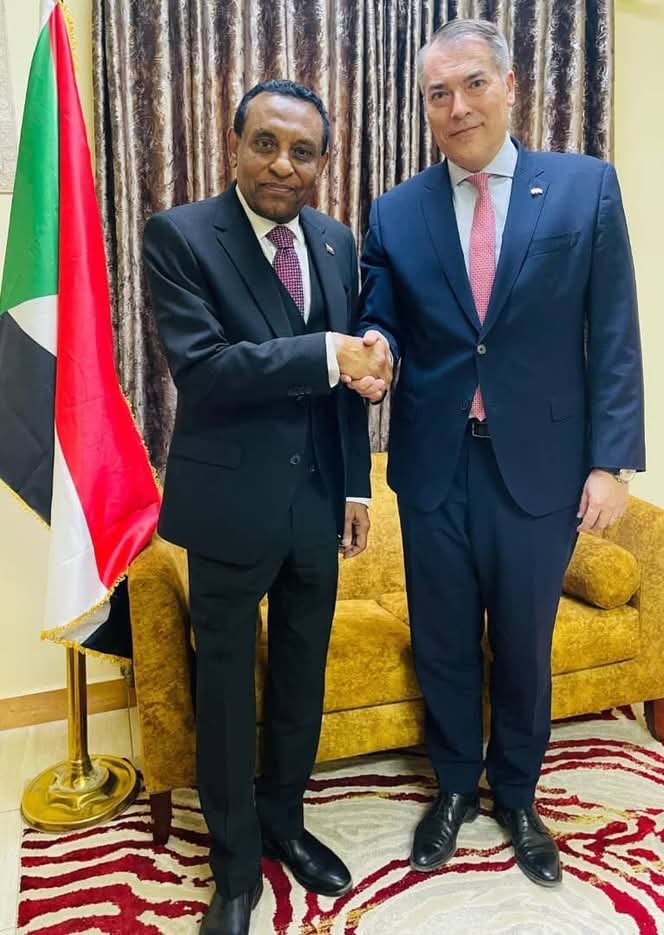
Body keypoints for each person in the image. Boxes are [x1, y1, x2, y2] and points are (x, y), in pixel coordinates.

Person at [346, 19, 645, 888]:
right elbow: (382, 315)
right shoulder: (396, 210)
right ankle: (451, 787)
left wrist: (611, 461)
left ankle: (516, 794)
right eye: (438, 93)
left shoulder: (584, 187)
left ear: (510, 86)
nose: (457, 106)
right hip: (434, 465)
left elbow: (614, 329)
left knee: (522, 643)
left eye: (473, 84)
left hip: (540, 468)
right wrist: (377, 346)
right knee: (442, 640)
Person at [144, 80, 389, 935]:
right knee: (224, 692)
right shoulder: (180, 235)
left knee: (299, 678)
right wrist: (326, 351)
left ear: (323, 162)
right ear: (234, 144)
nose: (283, 164)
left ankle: (284, 818)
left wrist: (355, 483)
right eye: (266, 143)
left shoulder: (334, 240)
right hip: (226, 508)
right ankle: (235, 866)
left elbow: (348, 384)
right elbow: (205, 370)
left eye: (303, 151)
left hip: (317, 504)